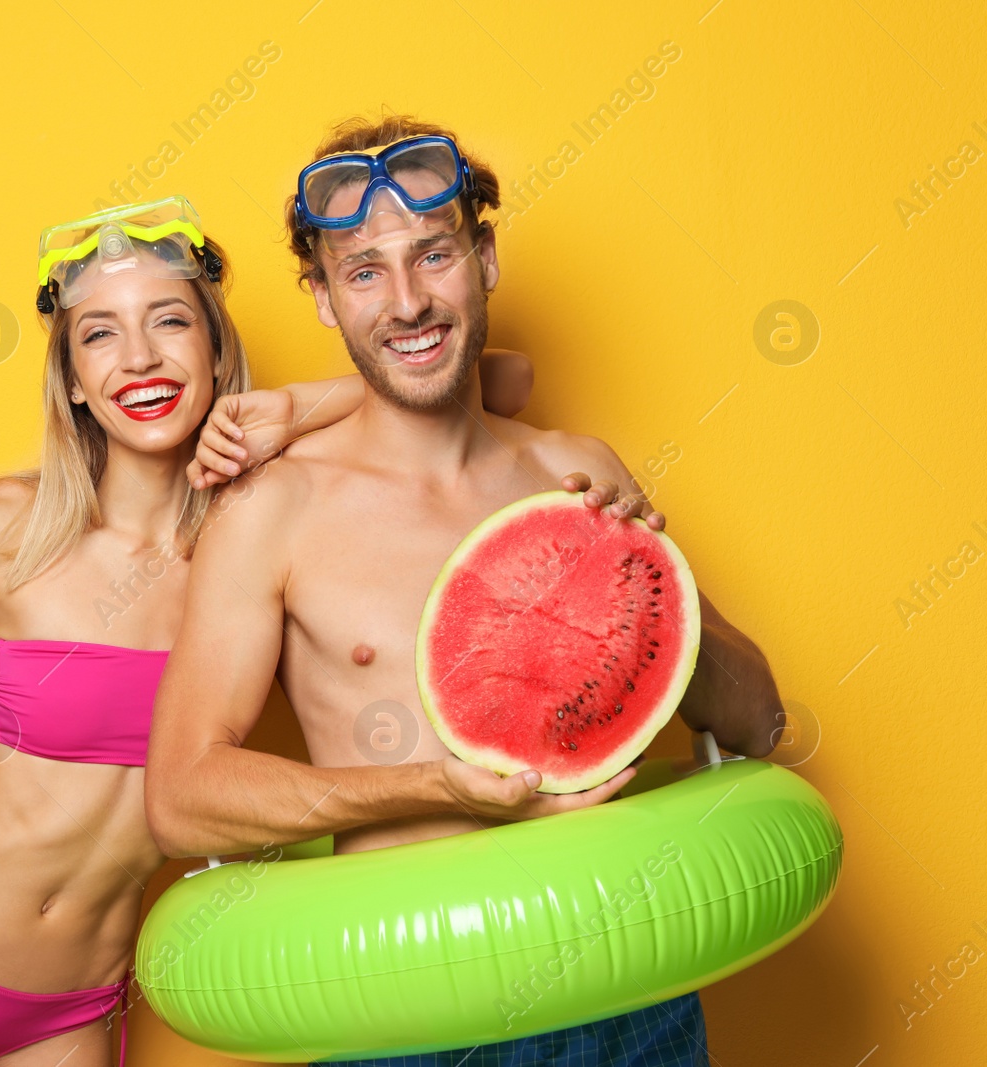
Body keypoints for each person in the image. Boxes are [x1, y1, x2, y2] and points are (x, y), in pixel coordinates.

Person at [0, 195, 534, 1066]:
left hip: (74, 1007)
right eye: (99, 335)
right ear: (73, 382)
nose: (140, 359)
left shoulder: (264, 539)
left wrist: (292, 409)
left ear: (215, 349)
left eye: (169, 322)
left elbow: (500, 380)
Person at [145, 116, 786, 1067]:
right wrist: (431, 788)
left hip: (621, 990)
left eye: (433, 254)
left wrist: (652, 581)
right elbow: (184, 793)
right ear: (324, 300)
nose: (407, 302)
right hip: (402, 1014)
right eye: (363, 272)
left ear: (484, 258)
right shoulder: (270, 511)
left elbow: (761, 721)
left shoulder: (575, 468)